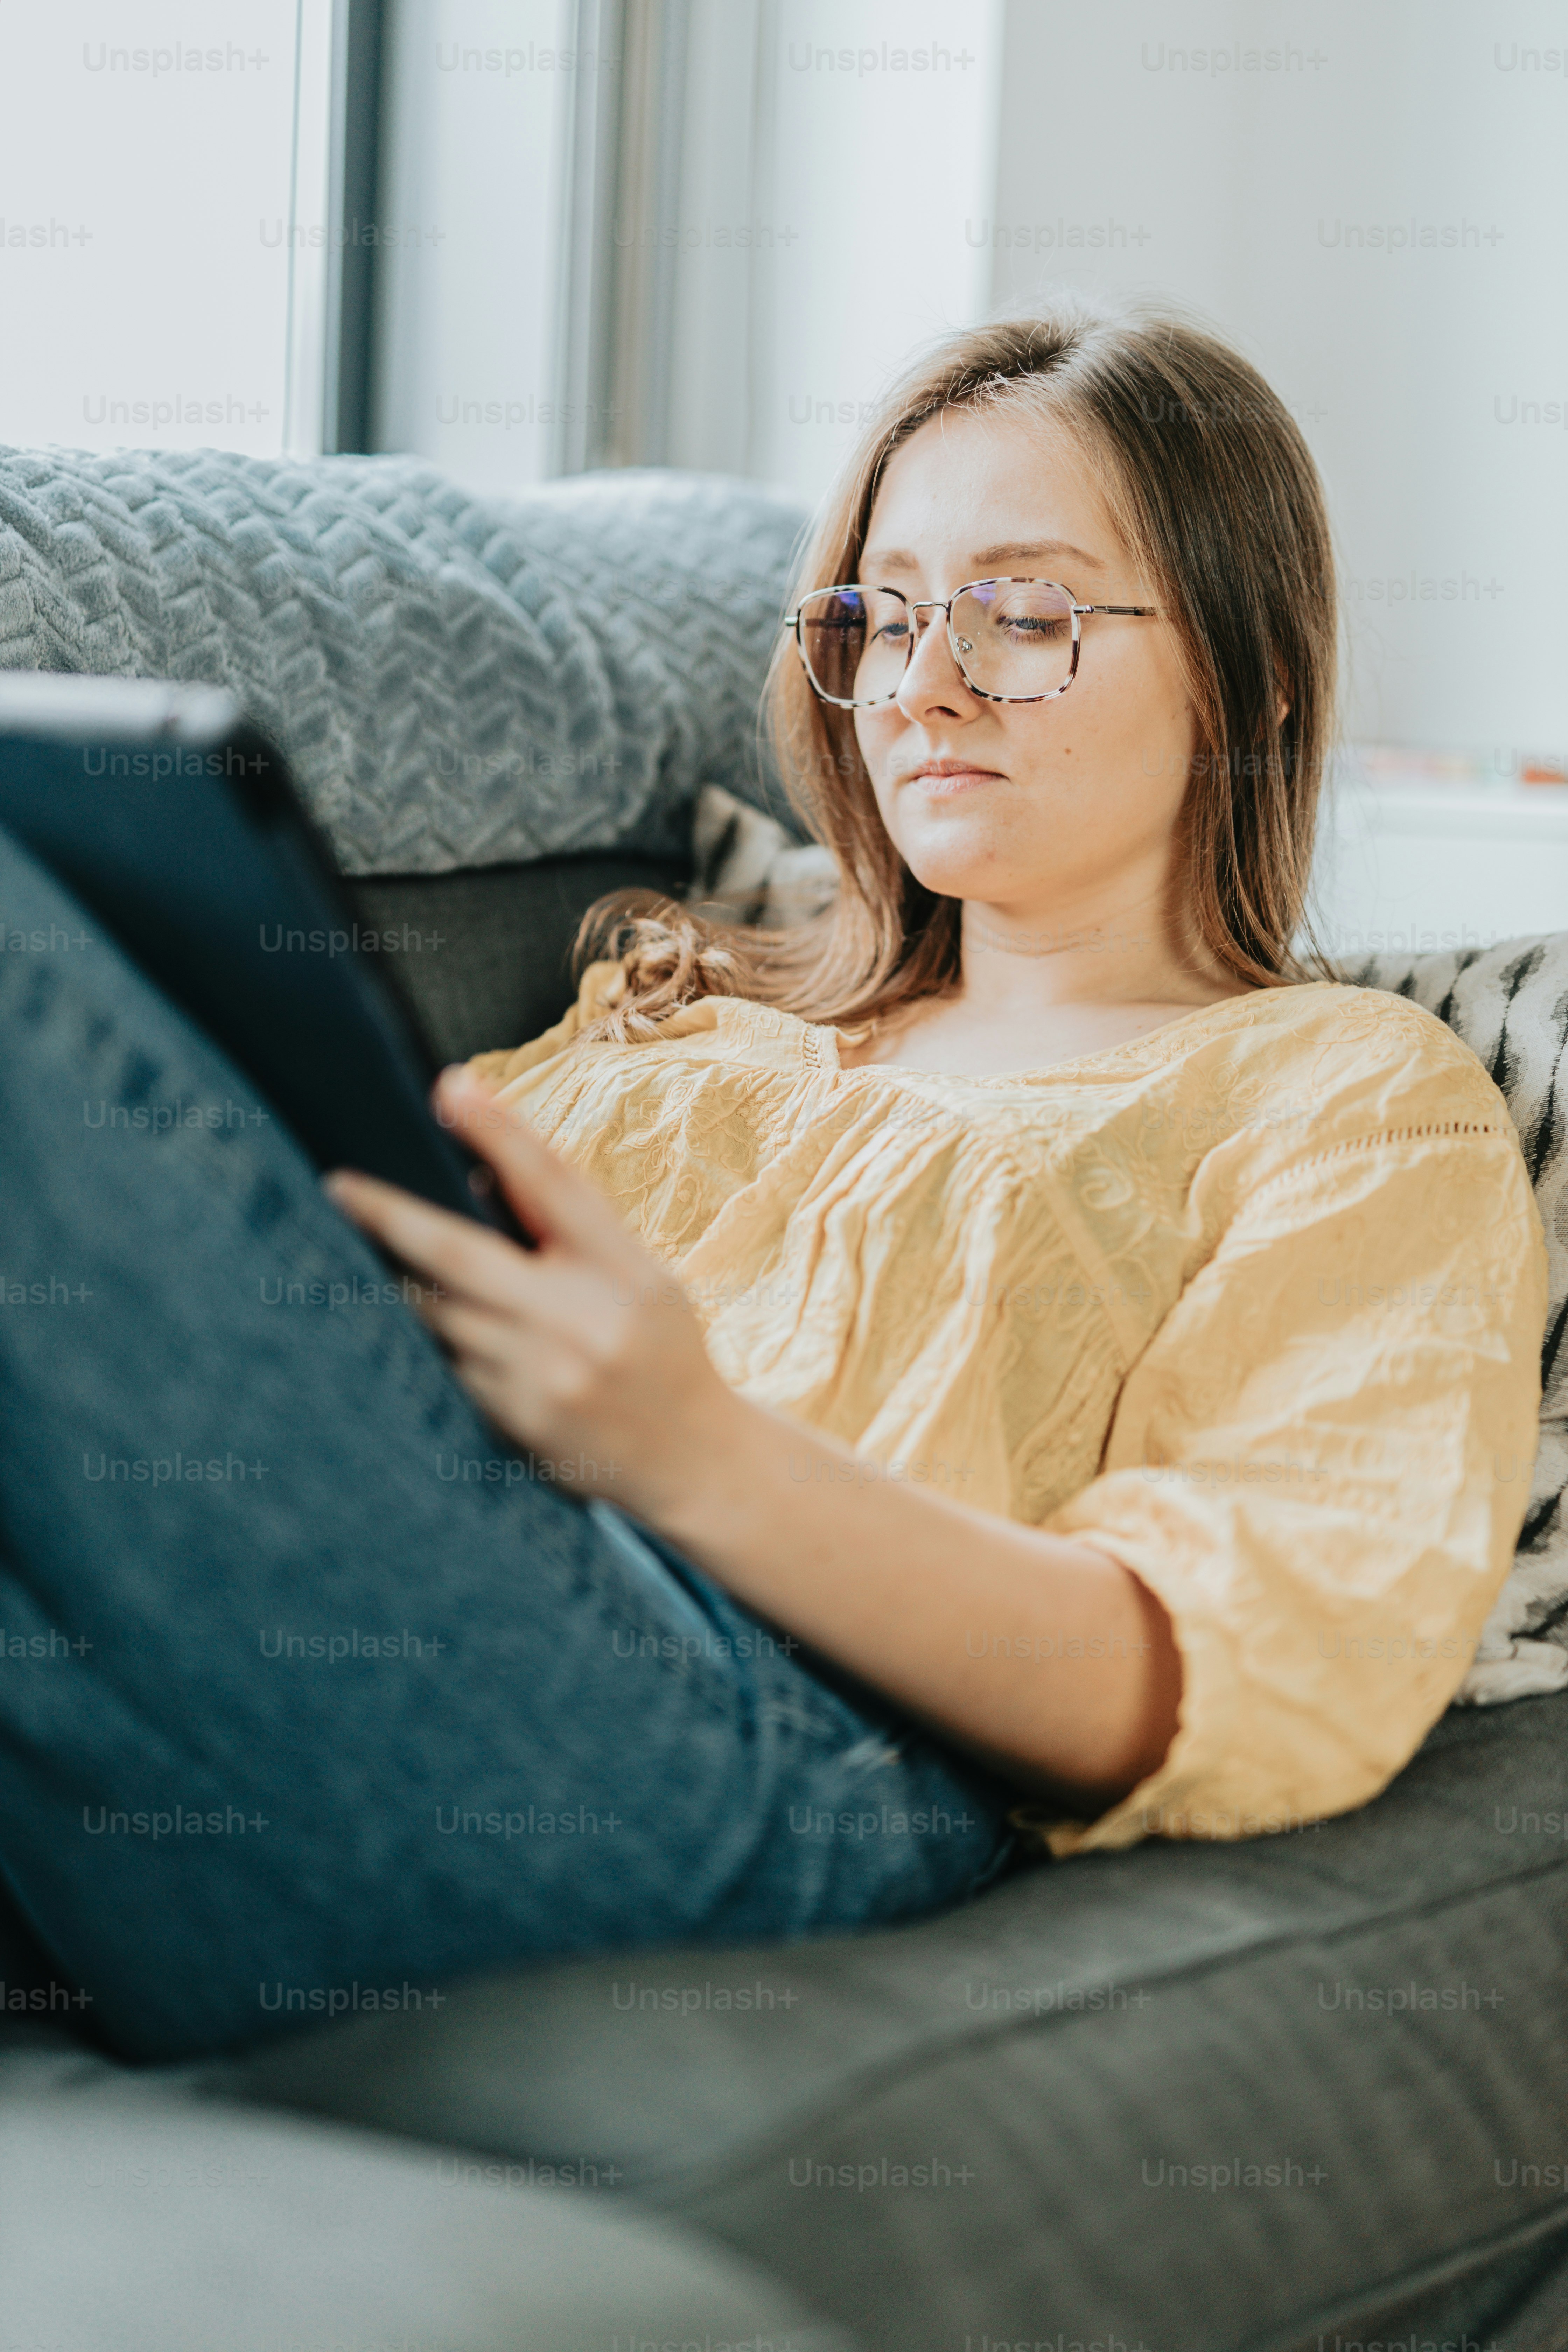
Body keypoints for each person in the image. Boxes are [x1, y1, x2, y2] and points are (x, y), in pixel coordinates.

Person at [0, 301, 1545, 2063]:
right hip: (337, 1649)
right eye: (880, 618)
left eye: (1024, 617)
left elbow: (1256, 1665)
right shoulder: (679, 1011)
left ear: (1252, 673)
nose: (922, 686)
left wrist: (694, 1449)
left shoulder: (1345, 1096)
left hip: (768, 1739)